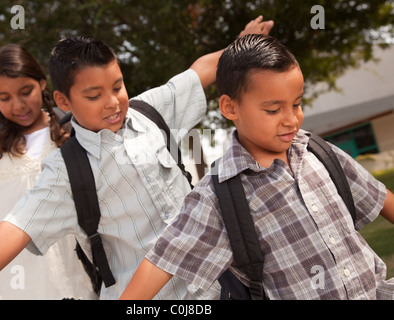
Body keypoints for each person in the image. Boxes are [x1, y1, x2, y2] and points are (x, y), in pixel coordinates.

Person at [0, 17, 274, 300]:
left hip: (216, 287)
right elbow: (13, 229)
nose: (112, 103)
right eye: (93, 96)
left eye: (117, 87)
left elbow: (196, 73)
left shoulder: (148, 112)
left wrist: (240, 46)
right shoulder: (65, 170)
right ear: (64, 99)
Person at [120, 34, 394, 300]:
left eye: (297, 104)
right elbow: (163, 260)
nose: (291, 120)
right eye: (273, 110)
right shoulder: (219, 195)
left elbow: (382, 199)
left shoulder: (319, 152)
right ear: (229, 107)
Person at [0, 44, 95, 299]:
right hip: (20, 287)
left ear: (42, 83)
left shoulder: (75, 129)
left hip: (79, 280)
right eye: (4, 98)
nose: (18, 105)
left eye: (26, 92)